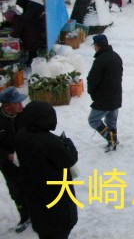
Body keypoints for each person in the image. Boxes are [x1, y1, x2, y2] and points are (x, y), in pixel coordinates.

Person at [15, 101, 78, 239]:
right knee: (58, 231)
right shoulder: (49, 142)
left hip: (34, 195)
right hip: (55, 197)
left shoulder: (21, 135)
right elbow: (69, 159)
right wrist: (68, 143)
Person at [0, 87, 30, 233]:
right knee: (16, 191)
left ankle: (37, 213)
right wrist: (8, 155)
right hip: (8, 165)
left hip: (27, 161)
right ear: (7, 106)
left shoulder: (25, 116)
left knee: (33, 188)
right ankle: (24, 216)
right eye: (17, 103)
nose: (21, 105)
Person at [87, 34, 123, 152]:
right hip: (116, 95)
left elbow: (92, 80)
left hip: (104, 98)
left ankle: (110, 139)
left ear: (97, 46)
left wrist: (92, 94)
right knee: (111, 121)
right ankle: (113, 140)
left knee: (93, 120)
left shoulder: (100, 60)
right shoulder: (116, 57)